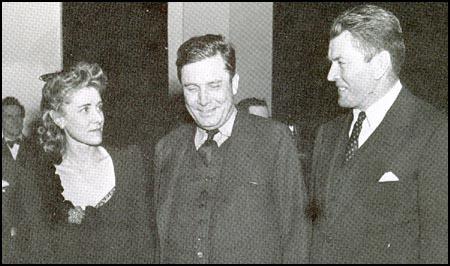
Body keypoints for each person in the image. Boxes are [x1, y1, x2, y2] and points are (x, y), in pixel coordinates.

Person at [308, 4, 448, 264]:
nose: (330, 75)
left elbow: (438, 248)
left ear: (380, 65)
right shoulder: (326, 135)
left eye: (341, 63)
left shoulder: (435, 133)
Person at [154, 34, 310, 264]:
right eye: (192, 88)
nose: (203, 100)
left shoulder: (274, 140)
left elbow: (297, 236)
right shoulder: (167, 148)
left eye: (214, 86)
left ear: (234, 83)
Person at [36, 62, 156, 263]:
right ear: (59, 119)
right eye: (85, 110)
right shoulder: (44, 181)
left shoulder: (129, 163)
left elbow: (146, 247)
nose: (98, 118)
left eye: (99, 107)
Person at [2, 97, 43, 263]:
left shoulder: (38, 148)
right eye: (9, 116)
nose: (15, 121)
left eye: (18, 116)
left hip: (33, 231)